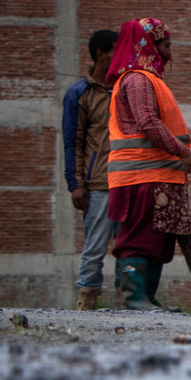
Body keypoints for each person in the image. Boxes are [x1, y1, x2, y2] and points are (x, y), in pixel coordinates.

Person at [106, 18, 191, 310]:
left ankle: (145, 297)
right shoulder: (138, 79)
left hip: (157, 175)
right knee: (139, 238)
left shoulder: (150, 80)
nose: (168, 53)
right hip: (140, 176)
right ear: (148, 45)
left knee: (157, 240)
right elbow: (147, 122)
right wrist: (183, 153)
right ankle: (134, 297)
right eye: (165, 45)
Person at [62, 28, 119, 310]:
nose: (122, 59)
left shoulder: (126, 87)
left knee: (129, 248)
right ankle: (86, 301)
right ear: (100, 54)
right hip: (98, 183)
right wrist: (76, 184)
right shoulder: (79, 93)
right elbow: (72, 142)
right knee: (95, 246)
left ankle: (128, 301)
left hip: (129, 180)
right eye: (116, 52)